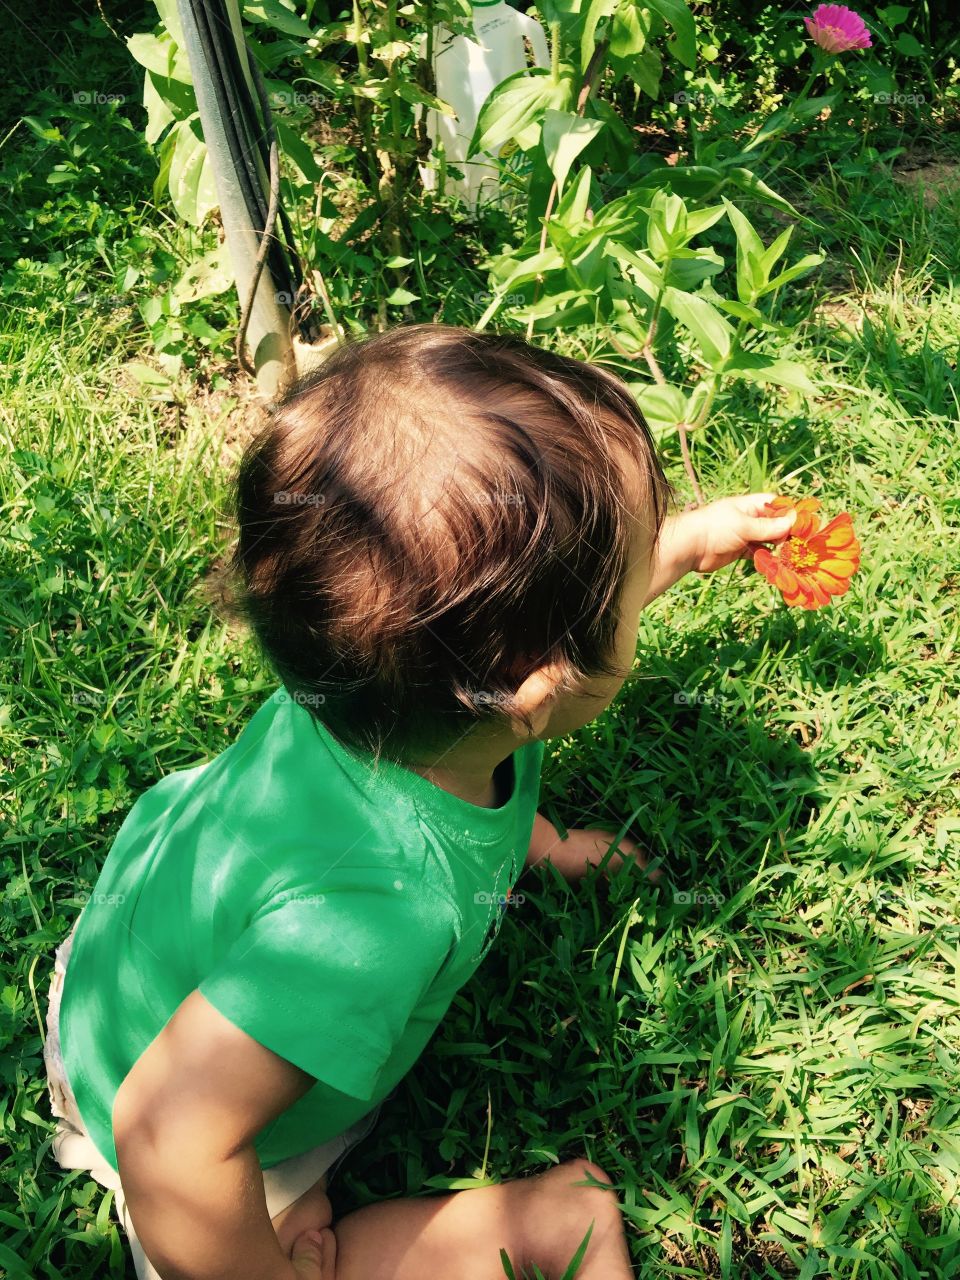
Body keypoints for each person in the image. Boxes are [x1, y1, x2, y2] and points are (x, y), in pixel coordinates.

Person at [42, 324, 798, 1280]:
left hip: (124, 970)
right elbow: (168, 1142)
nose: (653, 568)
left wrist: (690, 545)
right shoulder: (371, 911)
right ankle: (546, 1222)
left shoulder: (371, 680)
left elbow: (537, 646)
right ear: (536, 692)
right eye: (637, 567)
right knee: (274, 1243)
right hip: (146, 1109)